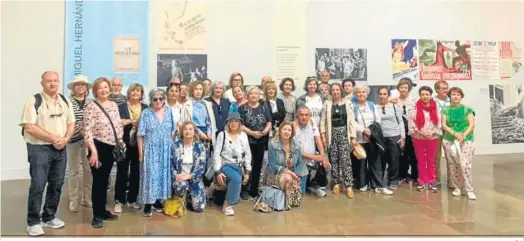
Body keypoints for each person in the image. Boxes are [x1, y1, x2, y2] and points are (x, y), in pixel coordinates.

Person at [21, 71, 75, 236]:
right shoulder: (34, 101)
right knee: (38, 185)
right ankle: (33, 222)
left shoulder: (65, 100)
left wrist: (65, 138)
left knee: (57, 184)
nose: (52, 84)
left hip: (60, 148)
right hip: (40, 149)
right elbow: (29, 126)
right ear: (42, 83)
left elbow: (71, 122)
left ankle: (49, 216)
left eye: (55, 81)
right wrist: (54, 139)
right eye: (49, 81)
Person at [83, 77, 123, 228]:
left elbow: (118, 124)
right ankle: (96, 215)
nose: (104, 90)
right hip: (97, 147)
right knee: (98, 182)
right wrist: (93, 152)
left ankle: (103, 210)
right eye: (100, 88)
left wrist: (120, 141)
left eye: (106, 87)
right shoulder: (90, 106)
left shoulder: (113, 105)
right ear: (95, 91)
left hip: (111, 147)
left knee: (105, 180)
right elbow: (87, 131)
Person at [137, 88, 175, 217]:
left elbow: (172, 132)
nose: (158, 101)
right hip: (150, 150)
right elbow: (140, 135)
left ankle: (158, 200)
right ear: (151, 100)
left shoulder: (169, 111)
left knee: (162, 175)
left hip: (165, 149)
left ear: (164, 100)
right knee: (150, 176)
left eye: (161, 99)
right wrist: (141, 154)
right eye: (155, 99)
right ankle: (148, 203)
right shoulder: (146, 113)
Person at [353, 85, 393, 195]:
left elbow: (377, 120)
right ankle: (363, 183)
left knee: (375, 162)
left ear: (367, 94)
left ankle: (378, 185)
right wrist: (363, 130)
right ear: (356, 94)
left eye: (363, 92)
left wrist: (371, 131)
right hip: (359, 139)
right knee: (361, 163)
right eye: (359, 92)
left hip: (372, 138)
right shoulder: (352, 106)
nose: (361, 94)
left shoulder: (372, 105)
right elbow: (351, 122)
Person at [114, 83, 148, 213]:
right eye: (133, 91)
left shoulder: (146, 108)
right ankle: (119, 200)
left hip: (139, 144)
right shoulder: (121, 106)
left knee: (136, 171)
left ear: (141, 94)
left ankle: (132, 199)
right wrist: (126, 121)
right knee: (122, 171)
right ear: (128, 93)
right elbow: (115, 123)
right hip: (124, 143)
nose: (135, 93)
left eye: (138, 91)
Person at [320, 83, 357, 198]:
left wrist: (353, 137)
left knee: (346, 161)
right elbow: (323, 121)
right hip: (332, 134)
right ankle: (336, 183)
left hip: (344, 134)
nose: (335, 92)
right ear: (331, 92)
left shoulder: (348, 103)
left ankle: (349, 185)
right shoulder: (327, 103)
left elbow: (351, 121)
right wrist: (323, 135)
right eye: (333, 90)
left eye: (337, 90)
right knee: (334, 160)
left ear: (341, 91)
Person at [441, 87, 477, 200]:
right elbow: (444, 125)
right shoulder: (445, 110)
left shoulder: (468, 109)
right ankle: (458, 187)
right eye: (453, 94)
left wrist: (463, 135)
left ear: (461, 96)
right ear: (450, 96)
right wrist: (455, 134)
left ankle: (469, 189)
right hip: (449, 139)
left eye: (458, 94)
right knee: (453, 164)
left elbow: (471, 125)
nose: (455, 96)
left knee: (464, 164)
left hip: (466, 139)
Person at [213, 112, 252, 215]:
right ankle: (227, 205)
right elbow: (216, 154)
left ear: (240, 123)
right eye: (231, 121)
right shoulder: (222, 135)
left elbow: (248, 153)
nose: (233, 123)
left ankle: (215, 188)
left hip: (239, 167)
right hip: (225, 165)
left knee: (236, 182)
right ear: (227, 123)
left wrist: (248, 171)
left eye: (236, 121)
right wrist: (217, 171)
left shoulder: (243, 135)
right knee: (236, 179)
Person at [65, 75, 93, 212]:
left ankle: (86, 198)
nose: (80, 87)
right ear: (73, 87)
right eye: (78, 84)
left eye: (83, 84)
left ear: (87, 87)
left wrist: (86, 131)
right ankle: (73, 200)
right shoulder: (67, 101)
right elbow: (66, 120)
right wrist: (79, 129)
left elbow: (93, 120)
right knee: (74, 171)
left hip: (89, 142)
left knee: (88, 171)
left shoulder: (91, 102)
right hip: (72, 140)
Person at [239, 86, 272, 199]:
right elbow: (240, 125)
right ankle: (244, 189)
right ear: (247, 95)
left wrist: (265, 130)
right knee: (247, 164)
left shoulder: (264, 106)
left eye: (256, 93)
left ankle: (254, 191)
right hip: (247, 140)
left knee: (258, 165)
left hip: (261, 140)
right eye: (251, 93)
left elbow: (269, 122)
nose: (254, 95)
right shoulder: (242, 108)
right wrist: (252, 133)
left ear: (259, 95)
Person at [408, 86, 441, 192]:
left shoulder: (436, 106)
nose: (425, 96)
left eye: (427, 94)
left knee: (431, 160)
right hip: (418, 137)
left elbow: (439, 121)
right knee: (421, 160)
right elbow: (411, 122)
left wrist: (432, 132)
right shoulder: (415, 107)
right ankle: (422, 181)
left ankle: (432, 181)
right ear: (420, 95)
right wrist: (421, 132)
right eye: (422, 94)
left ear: (431, 95)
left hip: (432, 137)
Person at [172, 122, 208, 212]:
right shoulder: (175, 146)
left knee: (199, 208)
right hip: (180, 178)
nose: (187, 131)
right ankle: (178, 197)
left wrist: (190, 176)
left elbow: (202, 167)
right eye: (185, 129)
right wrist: (176, 175)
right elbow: (170, 164)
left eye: (190, 129)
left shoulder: (200, 147)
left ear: (194, 132)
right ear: (182, 131)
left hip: (194, 178)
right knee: (181, 186)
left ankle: (189, 197)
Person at [266, 121, 303, 208]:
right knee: (287, 178)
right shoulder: (273, 144)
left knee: (291, 179)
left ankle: (287, 200)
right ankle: (286, 204)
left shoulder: (296, 146)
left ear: (292, 133)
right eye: (284, 129)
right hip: (274, 175)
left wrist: (297, 174)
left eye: (289, 130)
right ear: (280, 131)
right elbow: (272, 165)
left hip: (292, 174)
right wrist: (290, 173)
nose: (286, 132)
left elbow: (299, 163)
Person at [295, 105, 329, 197]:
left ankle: (314, 184)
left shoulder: (312, 122)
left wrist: (322, 156)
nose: (304, 117)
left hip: (312, 158)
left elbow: (318, 140)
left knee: (327, 165)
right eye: (301, 115)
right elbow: (298, 152)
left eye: (306, 115)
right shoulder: (293, 127)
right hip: (300, 161)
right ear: (297, 115)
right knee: (301, 191)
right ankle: (307, 185)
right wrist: (316, 157)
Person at [376, 87, 405, 190]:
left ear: (388, 96)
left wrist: (403, 137)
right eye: (380, 94)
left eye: (384, 94)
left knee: (394, 160)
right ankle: (380, 181)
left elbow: (401, 121)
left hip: (394, 136)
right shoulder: (375, 107)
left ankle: (393, 180)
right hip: (381, 137)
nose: (382, 96)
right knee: (381, 161)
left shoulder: (394, 106)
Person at [433, 80, 452, 188]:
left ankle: (451, 179)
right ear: (437, 90)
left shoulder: (451, 101)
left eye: (446, 88)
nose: (445, 90)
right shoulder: (432, 101)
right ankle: (437, 178)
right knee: (436, 155)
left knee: (450, 155)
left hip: (449, 130)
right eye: (443, 88)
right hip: (436, 130)